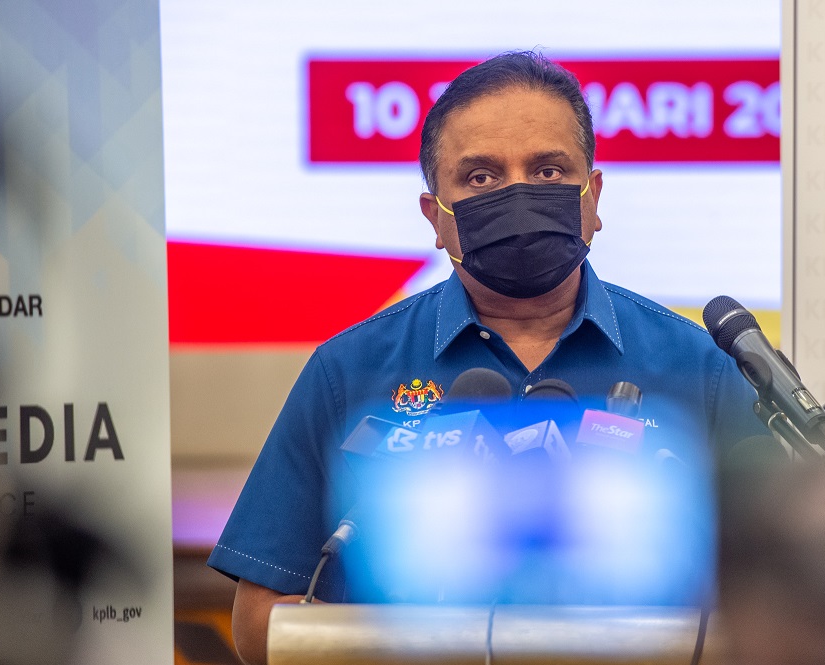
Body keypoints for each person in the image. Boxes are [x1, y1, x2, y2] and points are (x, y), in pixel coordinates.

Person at [208, 51, 768, 665]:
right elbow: (258, 623)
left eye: (550, 171)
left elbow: (781, 605)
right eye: (480, 178)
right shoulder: (349, 371)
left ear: (594, 196)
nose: (520, 196)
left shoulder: (695, 366)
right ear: (436, 217)